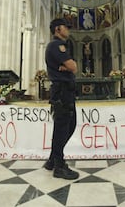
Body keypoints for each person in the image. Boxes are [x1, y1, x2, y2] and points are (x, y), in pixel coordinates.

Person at [44, 18, 79, 180]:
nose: (68, 30)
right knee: (64, 127)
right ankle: (59, 165)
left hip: (64, 92)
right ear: (58, 29)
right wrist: (67, 67)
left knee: (65, 126)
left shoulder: (58, 46)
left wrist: (65, 67)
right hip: (62, 92)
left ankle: (52, 159)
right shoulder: (57, 46)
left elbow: (70, 67)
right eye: (66, 27)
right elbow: (74, 67)